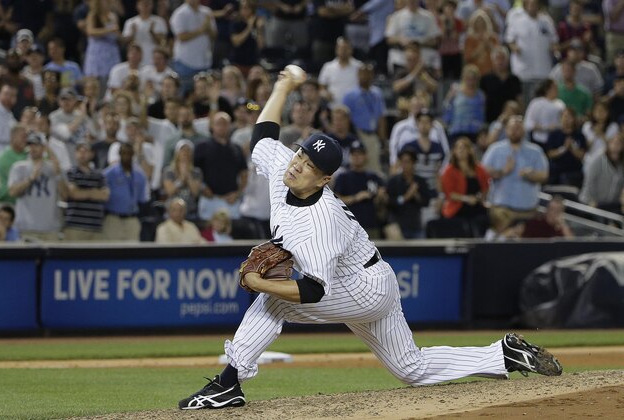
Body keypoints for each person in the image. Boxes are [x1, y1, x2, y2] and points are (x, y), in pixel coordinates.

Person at [177, 66, 562, 411]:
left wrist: (259, 281)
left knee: (273, 301)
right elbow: (262, 135)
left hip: (361, 288)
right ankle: (503, 355)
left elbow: (314, 291)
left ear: (324, 180)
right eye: (301, 156)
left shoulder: (319, 222)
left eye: (310, 166)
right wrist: (283, 87)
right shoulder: (286, 169)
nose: (298, 166)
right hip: (372, 278)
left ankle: (229, 384)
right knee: (411, 368)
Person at [482, 115, 549, 239]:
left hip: (527, 212)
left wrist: (531, 175)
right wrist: (503, 171)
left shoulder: (535, 151)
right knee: (498, 248)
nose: (515, 131)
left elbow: (544, 175)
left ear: (524, 130)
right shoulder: (495, 149)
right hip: (501, 211)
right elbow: (483, 172)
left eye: (519, 128)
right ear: (506, 129)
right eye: (512, 128)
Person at [8, 132, 66, 241]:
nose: (33, 148)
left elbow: (65, 194)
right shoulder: (19, 167)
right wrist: (30, 179)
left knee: (52, 258)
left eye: (37, 145)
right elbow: (12, 192)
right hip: (26, 228)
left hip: (50, 228)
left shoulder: (53, 168)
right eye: (30, 145)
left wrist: (58, 173)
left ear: (44, 148)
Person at [333, 140, 388, 239]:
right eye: (354, 154)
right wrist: (356, 197)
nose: (357, 157)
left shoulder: (374, 177)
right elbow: (336, 201)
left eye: (360, 154)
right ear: (350, 156)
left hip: (372, 225)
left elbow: (383, 203)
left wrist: (381, 196)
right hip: (349, 227)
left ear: (366, 156)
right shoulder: (343, 177)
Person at [440, 137, 490, 237]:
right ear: (454, 151)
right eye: (458, 148)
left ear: (470, 150)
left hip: (477, 206)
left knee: (485, 220)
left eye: (464, 148)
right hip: (457, 208)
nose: (461, 151)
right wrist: (467, 199)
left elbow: (485, 187)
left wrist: (481, 197)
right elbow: (450, 194)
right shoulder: (449, 171)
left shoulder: (479, 169)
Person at [102, 142, 150, 241]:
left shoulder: (139, 175)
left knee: (132, 252)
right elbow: (103, 196)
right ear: (119, 154)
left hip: (132, 219)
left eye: (129, 153)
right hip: (113, 219)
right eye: (124, 153)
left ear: (133, 155)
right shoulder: (109, 174)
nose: (126, 156)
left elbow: (142, 200)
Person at [62, 142, 110, 241]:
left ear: (92, 154)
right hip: (75, 226)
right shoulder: (70, 172)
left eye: (86, 151)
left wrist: (83, 192)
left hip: (95, 226)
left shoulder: (99, 174)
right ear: (75, 154)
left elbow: (105, 195)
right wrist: (93, 192)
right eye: (80, 152)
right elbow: (74, 194)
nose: (82, 154)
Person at [579, 133, 624, 213]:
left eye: (619, 144)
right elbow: (589, 182)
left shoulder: (621, 165)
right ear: (608, 145)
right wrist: (592, 202)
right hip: (591, 203)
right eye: (613, 143)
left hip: (610, 206)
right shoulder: (597, 160)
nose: (616, 147)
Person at [544, 107, 587, 188]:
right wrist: (563, 149)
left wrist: (572, 148)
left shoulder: (579, 135)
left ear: (574, 119)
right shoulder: (554, 134)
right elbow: (550, 154)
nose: (566, 119)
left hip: (574, 171)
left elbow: (581, 155)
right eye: (564, 116)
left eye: (569, 117)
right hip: (556, 170)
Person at [0, 123, 28, 205]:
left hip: (25, 202)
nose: (25, 140)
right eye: (23, 137)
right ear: (12, 137)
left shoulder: (28, 153)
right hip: (8, 203)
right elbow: (18, 179)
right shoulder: (5, 157)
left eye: (26, 137)